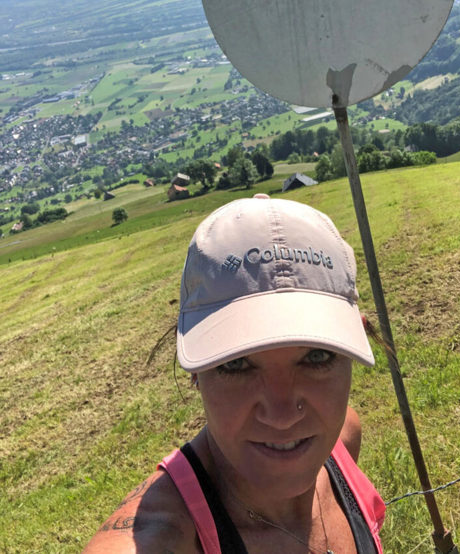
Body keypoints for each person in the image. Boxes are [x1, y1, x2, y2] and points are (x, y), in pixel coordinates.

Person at [84, 194, 385, 553]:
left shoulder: (342, 443)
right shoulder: (161, 540)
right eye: (236, 363)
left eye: (317, 356)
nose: (283, 415)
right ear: (194, 369)